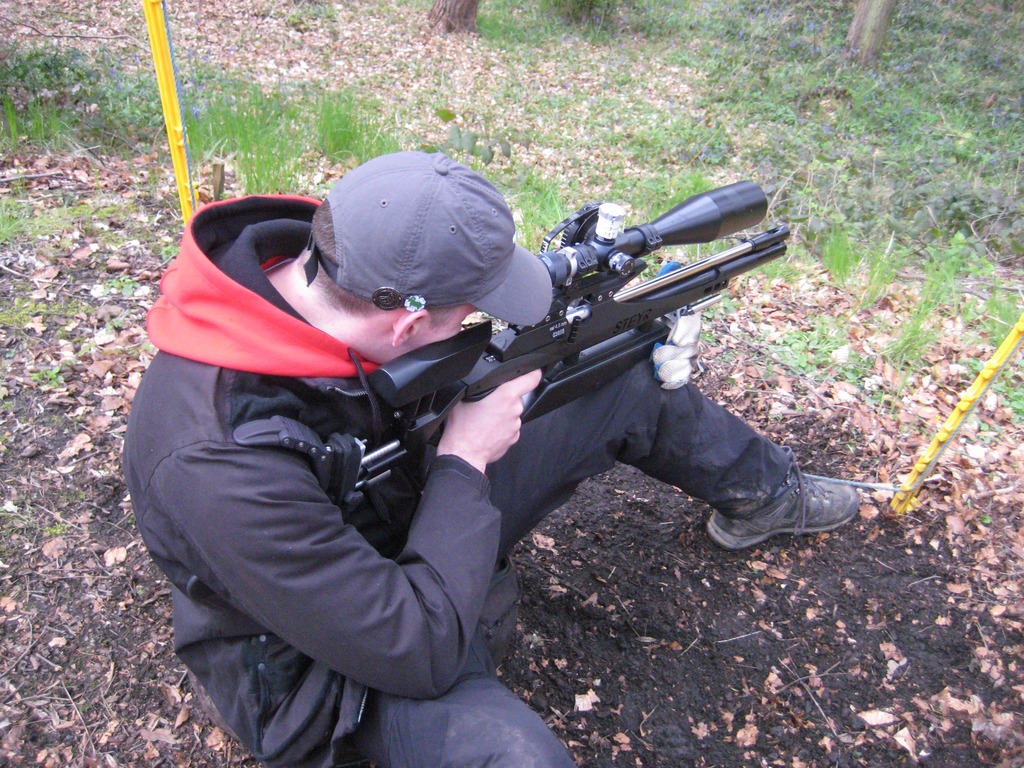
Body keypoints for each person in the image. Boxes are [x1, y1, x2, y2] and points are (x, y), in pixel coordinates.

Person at [123, 151, 858, 767]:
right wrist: (465, 459)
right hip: (322, 666)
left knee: (620, 379)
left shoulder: (347, 265)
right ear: (407, 326)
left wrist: (577, 349)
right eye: (470, 314)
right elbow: (414, 650)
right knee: (518, 758)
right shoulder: (215, 461)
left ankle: (766, 495)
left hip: (400, 507)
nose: (479, 324)